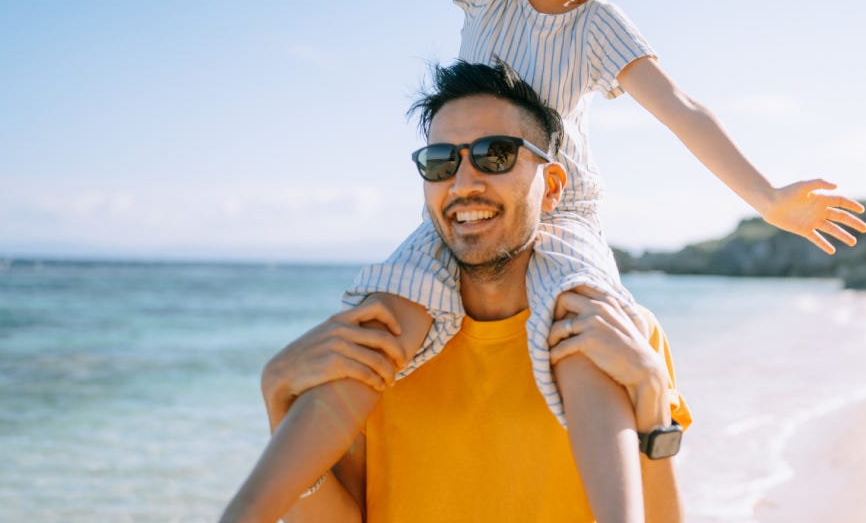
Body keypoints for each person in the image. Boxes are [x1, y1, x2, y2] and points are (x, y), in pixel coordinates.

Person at [225, 0, 866, 520]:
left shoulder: (599, 25)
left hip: (562, 216)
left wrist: (769, 197)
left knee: (579, 330)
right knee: (373, 332)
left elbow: (681, 106)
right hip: (466, 205)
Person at [226, 61, 690, 522]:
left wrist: (652, 401)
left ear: (550, 188)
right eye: (441, 162)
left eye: (496, 155)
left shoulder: (618, 333)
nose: (464, 184)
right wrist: (280, 407)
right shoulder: (381, 342)